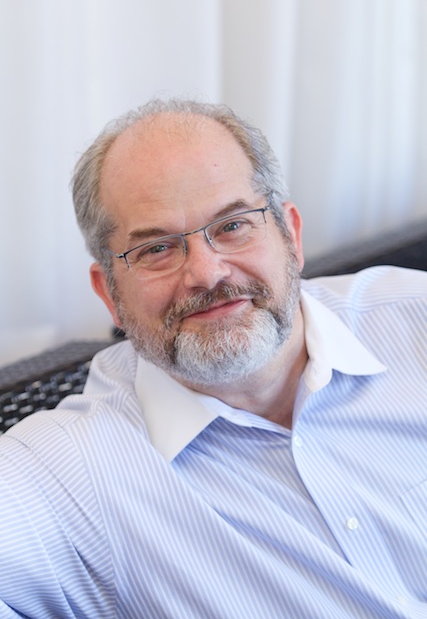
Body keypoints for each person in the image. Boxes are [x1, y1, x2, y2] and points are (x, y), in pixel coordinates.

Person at [0, 99, 426, 619]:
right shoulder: (69, 473)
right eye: (156, 249)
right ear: (109, 292)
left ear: (290, 235)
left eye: (232, 226)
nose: (207, 273)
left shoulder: (415, 322)